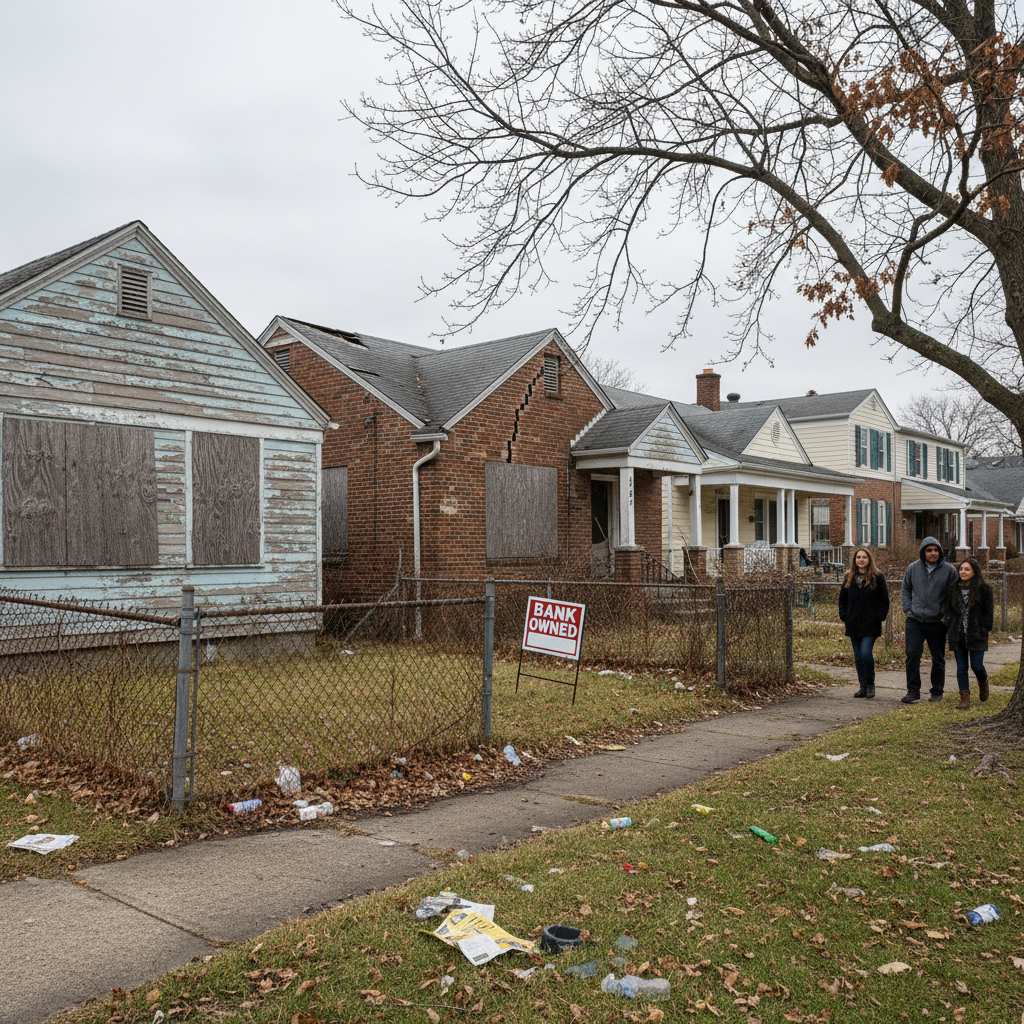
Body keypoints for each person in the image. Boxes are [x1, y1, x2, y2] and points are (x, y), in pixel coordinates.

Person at [900, 536, 959, 704]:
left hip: (937, 622)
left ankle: (937, 691)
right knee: (912, 655)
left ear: (940, 552)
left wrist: (945, 616)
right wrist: (908, 608)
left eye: (935, 550)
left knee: (938, 657)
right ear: (923, 552)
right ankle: (913, 691)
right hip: (915, 620)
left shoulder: (949, 570)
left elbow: (954, 596)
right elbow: (905, 588)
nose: (933, 553)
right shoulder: (912, 568)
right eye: (929, 550)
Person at [838, 547, 889, 699]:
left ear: (869, 559)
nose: (861, 559)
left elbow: (884, 600)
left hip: (870, 624)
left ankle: (870, 684)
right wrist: (844, 615)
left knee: (866, 653)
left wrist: (879, 616)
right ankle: (862, 687)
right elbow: (842, 600)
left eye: (864, 557)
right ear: (855, 560)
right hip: (853, 623)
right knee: (858, 656)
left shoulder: (877, 577)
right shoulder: (849, 577)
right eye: (858, 557)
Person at [943, 557, 993, 709]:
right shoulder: (952, 589)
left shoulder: (984, 589)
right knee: (961, 667)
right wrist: (949, 623)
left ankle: (983, 682)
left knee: (977, 665)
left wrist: (984, 628)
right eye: (961, 569)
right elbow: (948, 610)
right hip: (958, 635)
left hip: (977, 634)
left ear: (974, 572)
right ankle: (964, 697)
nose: (963, 572)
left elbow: (988, 613)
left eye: (967, 569)